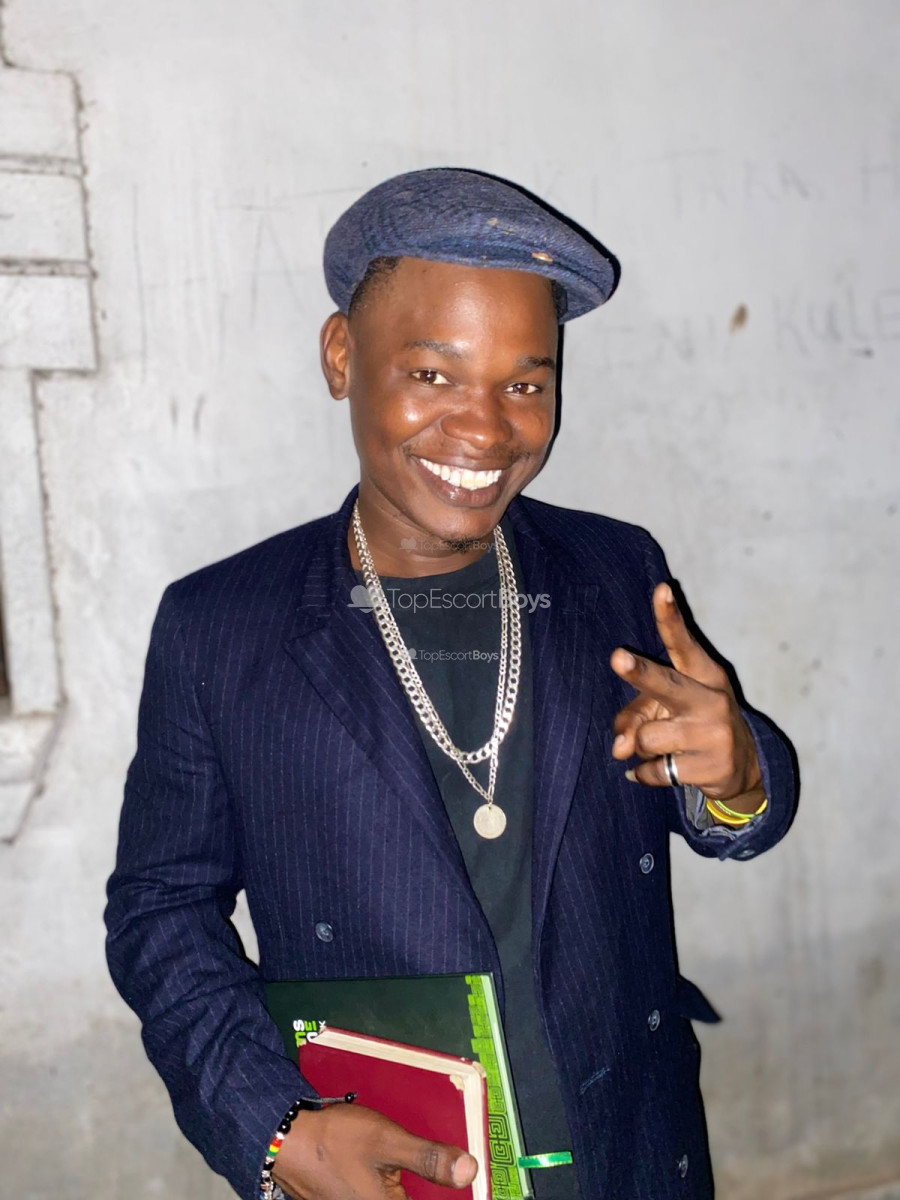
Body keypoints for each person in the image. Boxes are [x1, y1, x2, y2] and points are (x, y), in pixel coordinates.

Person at [105, 168, 798, 1200]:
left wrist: (738, 775)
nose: (484, 429)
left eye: (525, 384)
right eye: (433, 374)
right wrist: (277, 1130)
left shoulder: (614, 569)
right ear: (343, 357)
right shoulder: (223, 627)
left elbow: (726, 786)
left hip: (631, 1150)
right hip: (397, 1169)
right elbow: (160, 911)